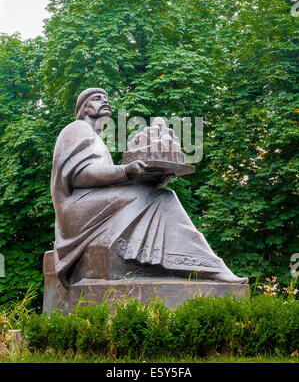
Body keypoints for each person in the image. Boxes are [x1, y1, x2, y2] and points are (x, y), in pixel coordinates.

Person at [51, 87, 248, 288]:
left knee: (156, 193)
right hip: (75, 212)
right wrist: (126, 171)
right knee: (162, 198)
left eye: (106, 98)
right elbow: (80, 176)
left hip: (91, 203)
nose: (104, 101)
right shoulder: (77, 128)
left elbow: (107, 182)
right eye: (96, 98)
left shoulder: (97, 140)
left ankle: (196, 264)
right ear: (84, 108)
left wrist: (151, 177)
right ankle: (208, 267)